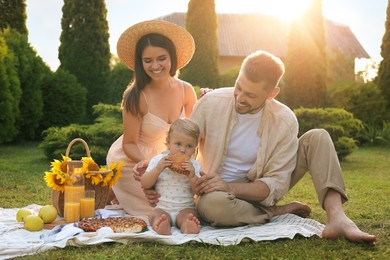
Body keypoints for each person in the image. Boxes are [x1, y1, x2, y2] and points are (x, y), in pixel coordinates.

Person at [141, 50, 376, 243]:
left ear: (272, 93)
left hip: (259, 189)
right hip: (216, 194)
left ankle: (337, 217)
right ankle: (275, 213)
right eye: (238, 87)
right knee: (212, 206)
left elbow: (274, 184)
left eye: (251, 95)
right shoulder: (210, 103)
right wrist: (153, 166)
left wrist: (231, 187)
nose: (240, 98)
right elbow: (182, 140)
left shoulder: (285, 120)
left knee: (318, 137)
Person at [106, 20, 197, 216]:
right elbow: (129, 143)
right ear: (140, 63)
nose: (155, 66)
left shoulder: (186, 90)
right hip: (134, 160)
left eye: (161, 58)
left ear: (172, 57)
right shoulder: (136, 95)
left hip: (170, 156)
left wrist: (182, 163)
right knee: (159, 201)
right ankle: (122, 192)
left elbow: (193, 135)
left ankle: (113, 195)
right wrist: (148, 165)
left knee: (185, 195)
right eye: (148, 61)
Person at [140, 119, 202, 235]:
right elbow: (145, 183)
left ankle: (187, 225)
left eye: (189, 146)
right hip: (162, 207)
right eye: (178, 144)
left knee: (190, 215)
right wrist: (158, 169)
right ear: (168, 142)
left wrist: (192, 177)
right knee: (155, 215)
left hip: (184, 207)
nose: (183, 150)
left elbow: (198, 192)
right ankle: (162, 225)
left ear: (195, 148)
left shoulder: (193, 165)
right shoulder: (158, 160)